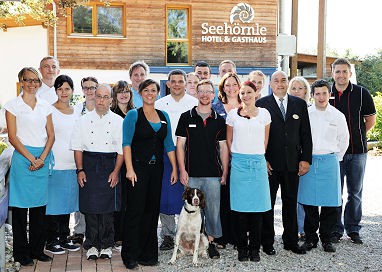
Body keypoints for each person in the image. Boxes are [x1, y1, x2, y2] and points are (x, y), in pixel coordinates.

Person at [121, 79, 177, 270]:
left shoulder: (164, 116)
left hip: (157, 170)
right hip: (137, 169)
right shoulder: (132, 115)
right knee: (135, 212)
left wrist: (175, 168)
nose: (150, 93)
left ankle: (148, 254)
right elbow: (126, 143)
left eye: (153, 90)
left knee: (152, 212)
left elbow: (169, 144)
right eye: (146, 90)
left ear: (158, 93)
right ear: (140, 92)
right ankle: (130, 255)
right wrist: (129, 169)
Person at [256, 71, 312, 255]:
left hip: (293, 164)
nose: (280, 84)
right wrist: (262, 159)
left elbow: (306, 134)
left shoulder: (299, 104)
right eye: (276, 81)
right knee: (268, 204)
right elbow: (256, 136)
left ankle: (291, 241)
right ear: (270, 84)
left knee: (290, 203)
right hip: (270, 165)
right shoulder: (261, 104)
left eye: (283, 80)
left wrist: (306, 159)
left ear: (287, 83)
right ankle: (267, 242)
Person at [4, 67, 55, 266]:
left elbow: (51, 135)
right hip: (22, 159)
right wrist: (32, 159)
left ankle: (37, 250)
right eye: (28, 80)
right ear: (21, 82)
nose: (32, 84)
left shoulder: (45, 106)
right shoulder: (12, 105)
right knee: (19, 211)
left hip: (42, 158)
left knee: (38, 209)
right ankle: (21, 253)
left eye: (36, 80)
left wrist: (41, 158)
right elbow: (13, 137)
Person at [176, 79, 229, 259]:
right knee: (190, 210)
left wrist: (225, 172)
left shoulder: (219, 120)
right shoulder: (186, 117)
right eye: (201, 91)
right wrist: (182, 170)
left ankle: (211, 243)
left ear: (213, 95)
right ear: (196, 94)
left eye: (209, 91)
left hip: (213, 175)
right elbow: (180, 145)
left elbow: (223, 148)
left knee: (213, 210)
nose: (205, 94)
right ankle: (188, 242)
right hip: (191, 175)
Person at [70, 84, 124, 260]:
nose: (101, 100)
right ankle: (91, 244)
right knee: (90, 209)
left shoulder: (119, 121)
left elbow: (122, 150)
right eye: (99, 96)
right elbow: (77, 147)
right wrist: (80, 170)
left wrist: (116, 171)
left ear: (111, 99)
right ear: (94, 97)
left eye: (105, 97)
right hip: (89, 164)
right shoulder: (83, 120)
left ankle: (107, 244)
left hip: (110, 164)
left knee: (108, 211)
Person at [298, 79, 349, 253]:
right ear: (312, 96)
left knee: (330, 205)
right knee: (309, 204)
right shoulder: (306, 113)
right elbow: (300, 138)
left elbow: (344, 140)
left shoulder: (337, 115)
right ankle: (311, 238)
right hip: (309, 161)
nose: (321, 97)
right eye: (317, 93)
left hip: (330, 161)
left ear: (330, 94)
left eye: (324, 93)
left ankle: (327, 239)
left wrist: (336, 158)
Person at [329, 58, 376, 244]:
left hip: (358, 151)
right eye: (337, 71)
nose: (341, 75)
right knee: (334, 192)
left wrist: (355, 136)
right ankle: (335, 229)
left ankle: (353, 229)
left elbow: (370, 120)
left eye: (344, 71)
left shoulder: (362, 93)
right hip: (334, 153)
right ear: (332, 73)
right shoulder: (326, 93)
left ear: (350, 73)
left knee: (355, 192)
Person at [226, 80, 271, 262]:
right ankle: (242, 248)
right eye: (242, 93)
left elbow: (265, 141)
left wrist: (258, 156)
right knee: (240, 209)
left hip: (258, 164)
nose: (245, 96)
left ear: (256, 93)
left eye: (249, 92)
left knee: (258, 209)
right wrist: (238, 158)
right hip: (239, 164)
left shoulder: (265, 114)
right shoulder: (232, 115)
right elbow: (229, 141)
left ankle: (255, 249)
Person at [155, 70, 198, 251]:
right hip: (166, 153)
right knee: (164, 196)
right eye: (173, 81)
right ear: (168, 84)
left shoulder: (194, 103)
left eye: (181, 81)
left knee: (189, 193)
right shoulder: (159, 104)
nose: (177, 84)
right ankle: (167, 234)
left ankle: (188, 235)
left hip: (190, 154)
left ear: (186, 83)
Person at [45, 75, 81, 254]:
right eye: (60, 89)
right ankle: (52, 240)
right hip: (55, 164)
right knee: (53, 205)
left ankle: (65, 238)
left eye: (67, 89)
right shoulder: (49, 111)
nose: (64, 92)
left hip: (73, 165)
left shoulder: (76, 111)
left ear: (72, 91)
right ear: (56, 91)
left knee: (67, 204)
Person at [212, 72, 241, 249]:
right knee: (221, 198)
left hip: (241, 160)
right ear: (222, 88)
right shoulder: (216, 108)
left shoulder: (246, 106)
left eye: (234, 84)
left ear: (239, 86)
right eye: (227, 85)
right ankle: (221, 236)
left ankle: (237, 235)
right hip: (219, 159)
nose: (231, 88)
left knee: (238, 198)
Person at [69, 76, 99, 245]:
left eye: (92, 87)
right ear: (82, 90)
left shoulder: (103, 109)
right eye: (86, 87)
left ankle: (94, 230)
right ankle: (79, 230)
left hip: (98, 158)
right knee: (81, 194)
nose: (89, 91)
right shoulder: (75, 110)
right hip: (81, 157)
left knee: (95, 196)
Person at [110, 80, 134, 250]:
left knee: (131, 200)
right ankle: (117, 234)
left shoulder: (135, 113)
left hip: (132, 161)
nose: (124, 94)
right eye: (120, 92)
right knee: (118, 199)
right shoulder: (111, 114)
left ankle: (129, 233)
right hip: (116, 160)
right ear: (115, 95)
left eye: (126, 91)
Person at [287, 76, 311, 241]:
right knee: (295, 196)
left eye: (300, 88)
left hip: (305, 157)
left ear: (306, 91)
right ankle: (298, 227)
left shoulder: (311, 108)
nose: (296, 91)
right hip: (291, 158)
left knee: (307, 196)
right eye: (293, 88)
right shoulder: (287, 106)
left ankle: (306, 228)